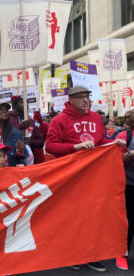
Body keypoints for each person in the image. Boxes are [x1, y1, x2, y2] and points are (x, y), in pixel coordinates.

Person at [45, 86, 111, 272]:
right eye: (81, 97)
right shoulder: (60, 120)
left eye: (87, 97)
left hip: (93, 174)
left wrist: (115, 143)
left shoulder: (96, 118)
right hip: (70, 175)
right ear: (70, 100)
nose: (85, 100)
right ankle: (72, 254)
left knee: (93, 215)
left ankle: (92, 254)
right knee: (72, 217)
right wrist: (76, 147)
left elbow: (101, 142)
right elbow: (50, 146)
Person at [115, 111, 134, 271]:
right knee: (129, 221)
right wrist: (130, 154)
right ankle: (122, 253)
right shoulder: (123, 135)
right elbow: (114, 159)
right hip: (129, 184)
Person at [9, 96, 47, 164]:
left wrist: (32, 142)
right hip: (13, 161)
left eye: (27, 103)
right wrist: (19, 127)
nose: (26, 105)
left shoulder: (33, 122)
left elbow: (41, 141)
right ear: (14, 106)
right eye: (22, 103)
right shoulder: (8, 120)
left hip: (33, 162)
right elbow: (5, 135)